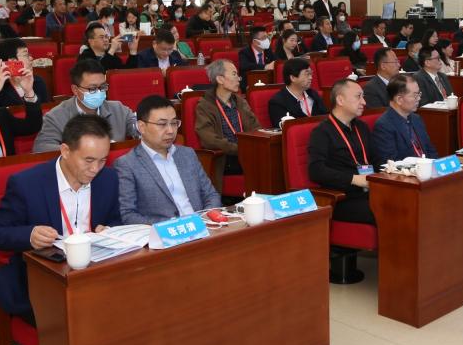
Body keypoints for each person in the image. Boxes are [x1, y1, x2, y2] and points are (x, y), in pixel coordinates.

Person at [0, 114, 120, 345]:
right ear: (65, 150)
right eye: (88, 160)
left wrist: (108, 230)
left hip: (93, 270)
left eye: (102, 160)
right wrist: (29, 234)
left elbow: (116, 221)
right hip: (42, 276)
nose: (96, 169)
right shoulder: (27, 183)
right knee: (78, 316)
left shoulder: (108, 179)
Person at [115, 95, 221, 225]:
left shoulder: (187, 154)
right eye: (162, 124)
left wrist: (206, 218)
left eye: (174, 123)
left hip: (203, 226)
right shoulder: (127, 164)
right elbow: (128, 215)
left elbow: (211, 195)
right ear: (141, 127)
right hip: (165, 232)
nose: (170, 130)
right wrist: (171, 226)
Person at [307, 79, 375, 224]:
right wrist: (354, 179)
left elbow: (374, 158)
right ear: (340, 100)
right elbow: (316, 170)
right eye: (358, 97)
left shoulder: (361, 127)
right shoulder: (322, 132)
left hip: (369, 191)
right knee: (387, 210)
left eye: (363, 97)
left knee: (405, 200)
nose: (364, 102)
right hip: (342, 197)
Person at [33, 60, 139, 152]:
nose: (99, 92)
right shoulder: (56, 116)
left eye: (102, 87)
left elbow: (139, 128)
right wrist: (81, 149)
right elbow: (41, 147)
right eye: (92, 89)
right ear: (75, 90)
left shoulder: (118, 109)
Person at [195, 60, 260, 189]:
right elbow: (209, 140)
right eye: (234, 74)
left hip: (246, 153)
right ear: (220, 79)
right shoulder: (205, 106)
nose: (238, 79)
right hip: (226, 158)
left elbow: (256, 128)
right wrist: (239, 149)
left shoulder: (240, 102)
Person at [372, 74, 437, 168]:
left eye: (419, 94)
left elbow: (430, 150)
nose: (419, 98)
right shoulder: (384, 125)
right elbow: (390, 163)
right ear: (399, 99)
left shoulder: (416, 119)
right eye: (415, 95)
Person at [267, 57, 327, 125]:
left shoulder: (313, 95)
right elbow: (283, 128)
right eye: (307, 74)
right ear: (293, 78)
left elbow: (325, 117)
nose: (311, 78)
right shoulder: (278, 102)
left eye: (311, 74)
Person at [0, 38, 49, 106]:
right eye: (26, 55)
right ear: (12, 61)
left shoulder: (38, 82)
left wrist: (29, 92)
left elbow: (46, 109)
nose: (31, 58)